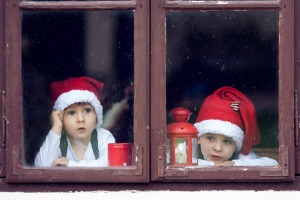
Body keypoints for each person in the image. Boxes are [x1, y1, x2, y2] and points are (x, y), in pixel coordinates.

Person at [35, 76, 115, 167]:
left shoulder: (103, 137)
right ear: (61, 118)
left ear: (96, 114)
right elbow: (42, 166)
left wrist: (71, 165)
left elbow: (111, 162)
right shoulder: (59, 141)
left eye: (87, 111)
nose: (81, 119)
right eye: (71, 113)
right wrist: (56, 127)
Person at [194, 86, 278, 166]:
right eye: (210, 138)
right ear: (198, 138)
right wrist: (211, 165)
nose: (218, 148)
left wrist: (236, 164)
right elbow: (182, 164)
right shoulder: (186, 152)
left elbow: (273, 163)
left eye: (227, 141)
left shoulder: (242, 158)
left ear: (236, 146)